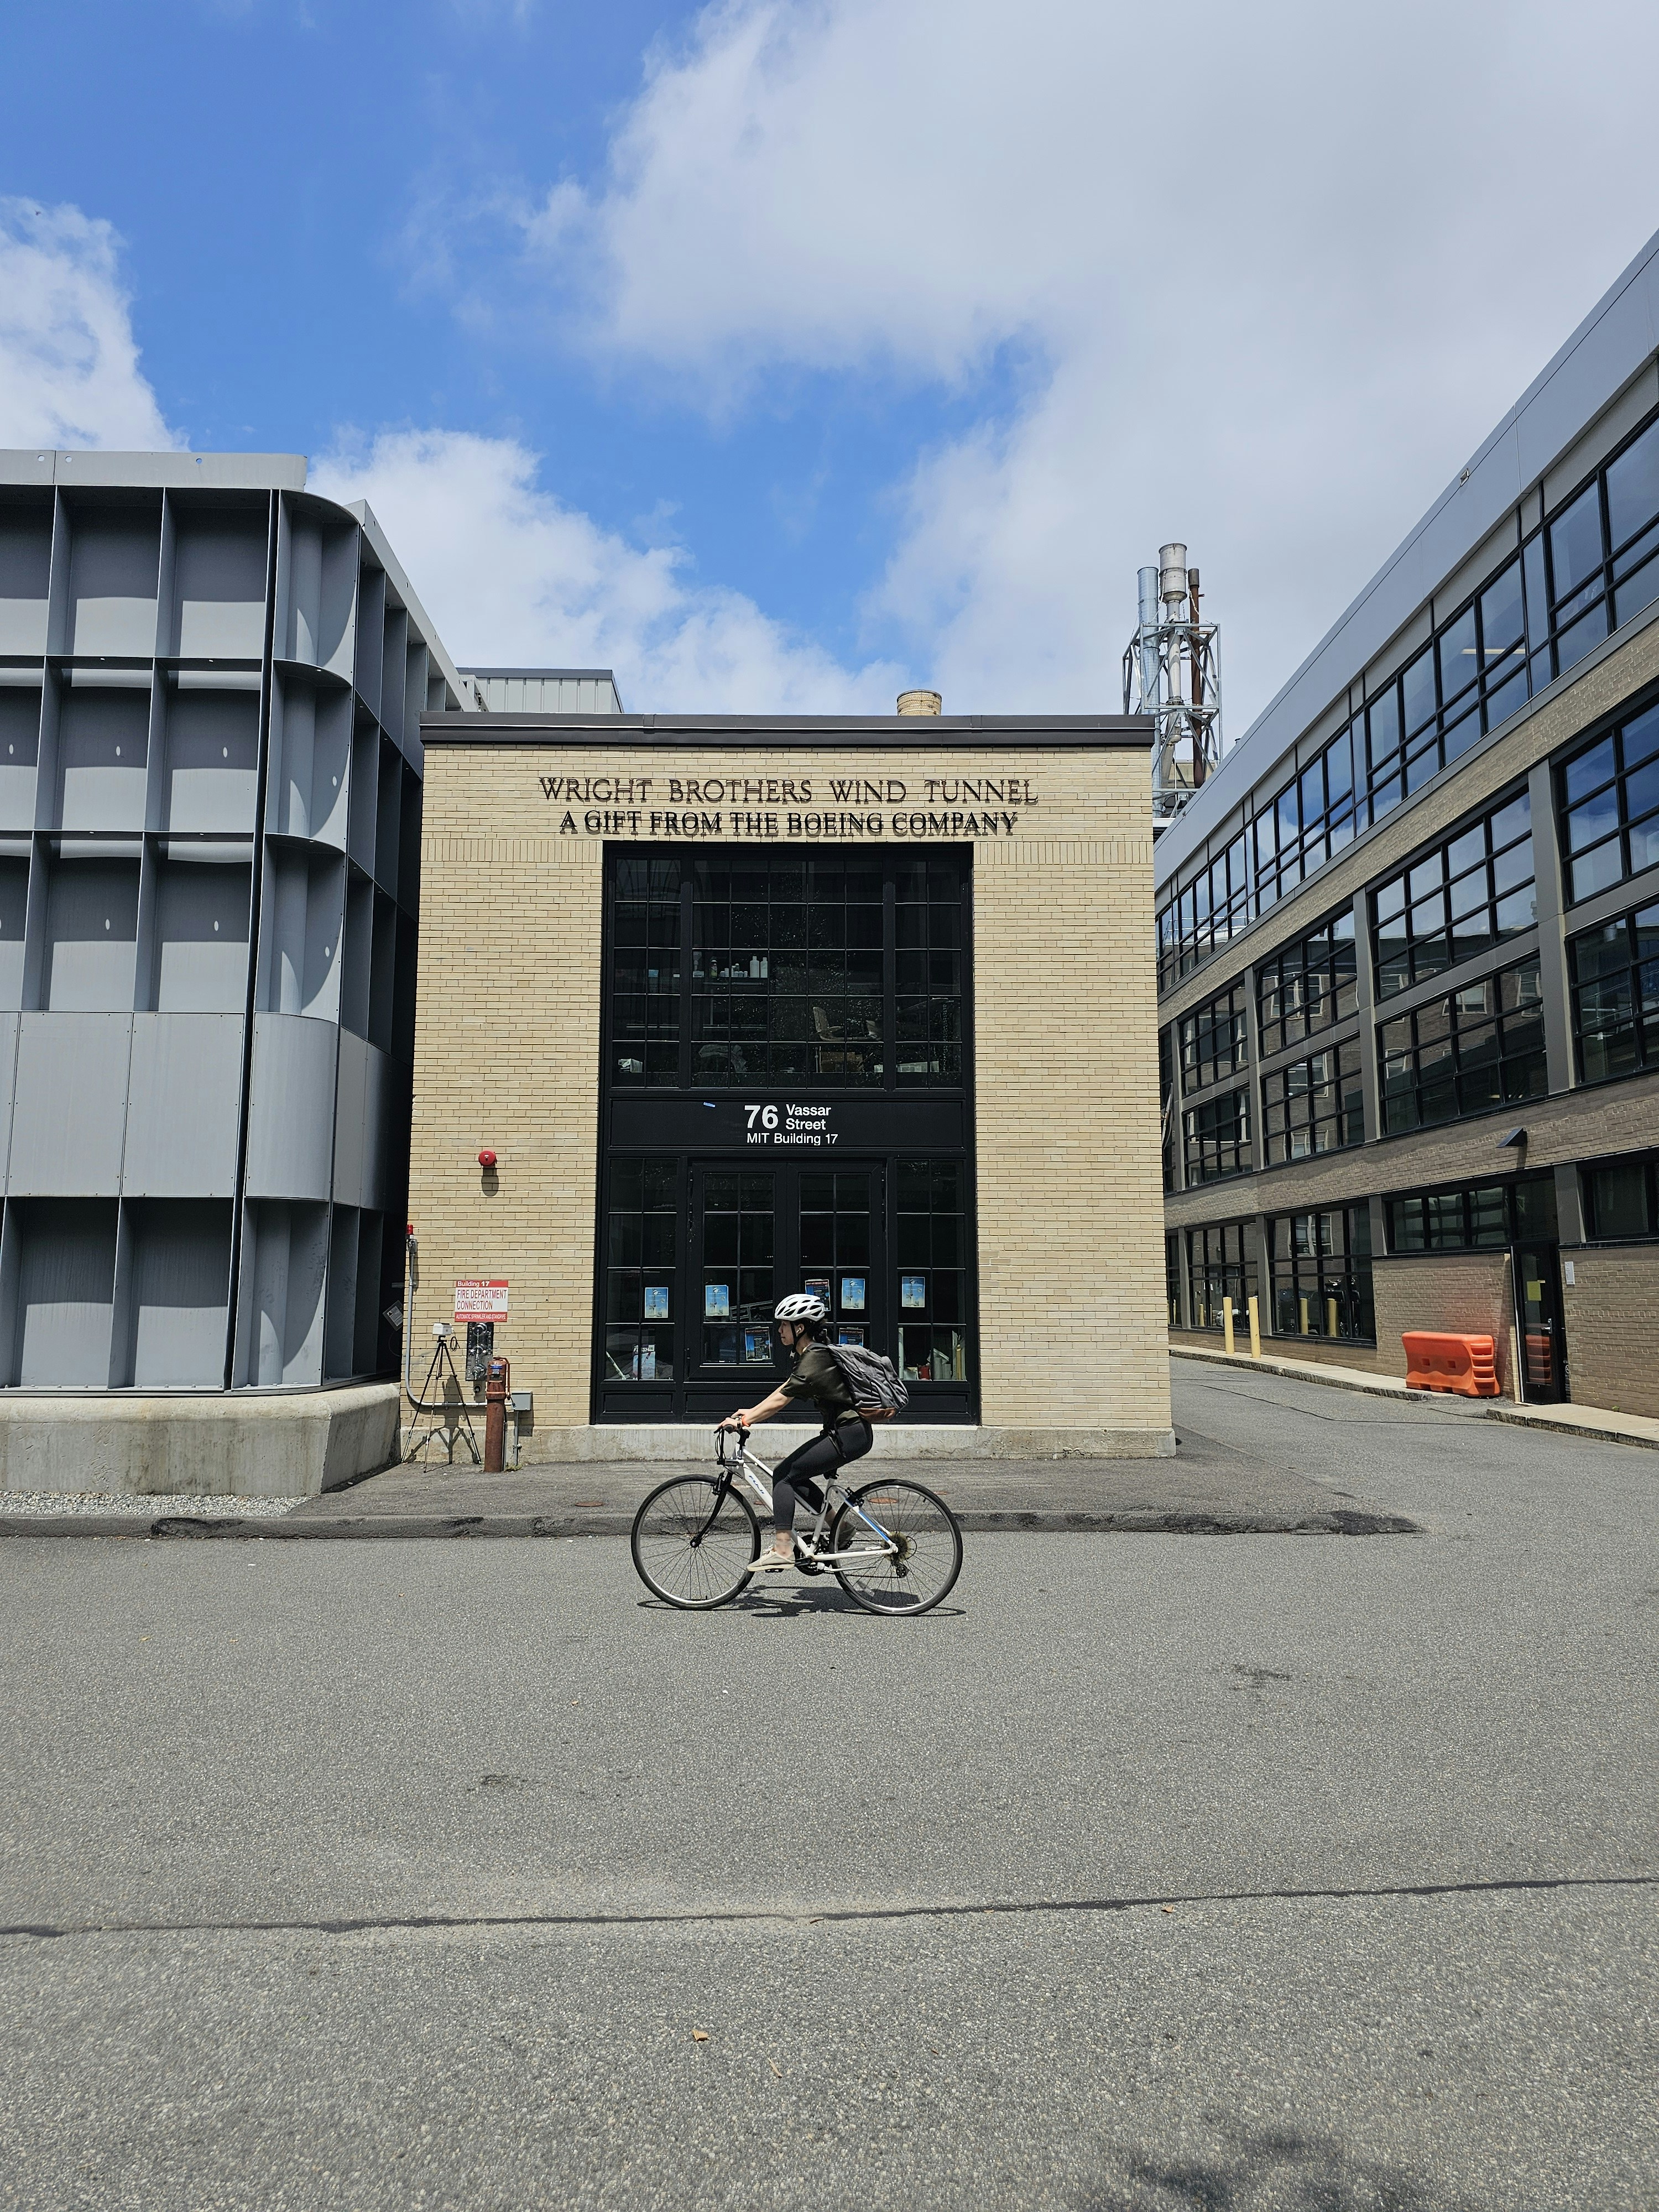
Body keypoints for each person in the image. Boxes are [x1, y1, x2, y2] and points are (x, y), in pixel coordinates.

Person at [719, 1292, 873, 1569]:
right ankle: (842, 1528)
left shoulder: (815, 1357)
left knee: (783, 1476)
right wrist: (750, 1412)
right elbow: (786, 1388)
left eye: (784, 1325)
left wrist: (745, 1422)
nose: (779, 1330)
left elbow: (782, 1399)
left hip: (848, 1435)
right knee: (796, 1476)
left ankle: (783, 1549)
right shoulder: (811, 1354)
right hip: (846, 1433)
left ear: (800, 1327)